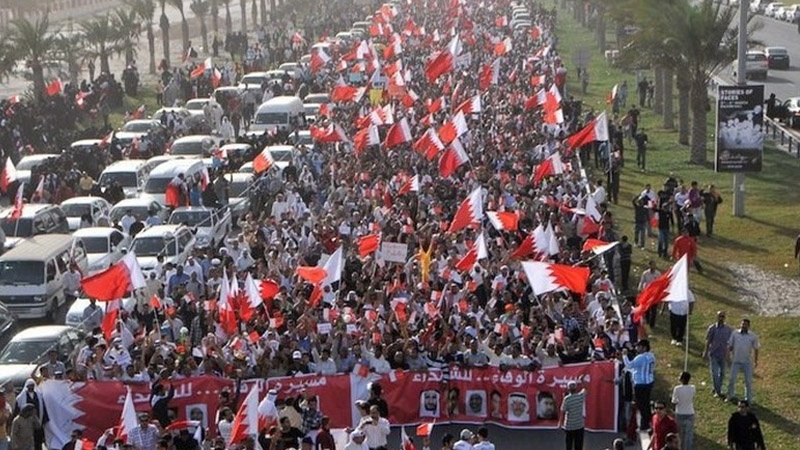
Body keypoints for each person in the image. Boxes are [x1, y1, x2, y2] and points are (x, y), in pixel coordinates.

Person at [623, 340, 655, 431]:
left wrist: (624, 355)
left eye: (639, 346)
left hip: (641, 384)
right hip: (649, 381)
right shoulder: (651, 356)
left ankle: (646, 424)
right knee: (646, 403)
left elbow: (629, 365)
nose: (637, 348)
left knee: (641, 405)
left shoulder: (640, 357)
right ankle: (648, 422)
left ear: (644, 347)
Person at [727, 318, 760, 403]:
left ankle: (748, 399)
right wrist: (728, 357)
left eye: (745, 324)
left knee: (748, 381)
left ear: (748, 326)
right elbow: (729, 346)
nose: (743, 326)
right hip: (735, 360)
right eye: (742, 324)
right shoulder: (735, 333)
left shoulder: (753, 336)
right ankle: (730, 395)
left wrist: (756, 361)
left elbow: (756, 348)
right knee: (732, 379)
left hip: (747, 362)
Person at [704, 310, 733, 399]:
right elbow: (708, 341)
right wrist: (705, 351)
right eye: (720, 316)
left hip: (723, 354)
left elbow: (731, 343)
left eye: (723, 316)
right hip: (714, 354)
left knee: (723, 373)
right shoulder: (712, 328)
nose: (721, 318)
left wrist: (730, 354)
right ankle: (718, 391)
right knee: (715, 373)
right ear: (717, 317)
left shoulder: (728, 329)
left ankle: (717, 388)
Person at [671, 372, 696, 450]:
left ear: (681, 379)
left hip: (680, 413)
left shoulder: (677, 388)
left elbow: (674, 401)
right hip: (690, 412)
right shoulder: (693, 388)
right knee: (689, 435)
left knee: (680, 435)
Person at [560, 381, 586, 450]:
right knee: (579, 445)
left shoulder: (567, 399)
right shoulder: (580, 396)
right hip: (579, 425)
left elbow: (563, 411)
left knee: (569, 445)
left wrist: (560, 423)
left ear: (568, 389)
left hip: (569, 426)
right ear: (576, 388)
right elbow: (586, 388)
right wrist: (582, 380)